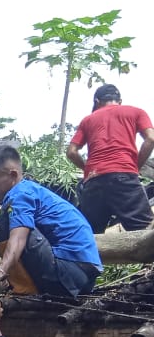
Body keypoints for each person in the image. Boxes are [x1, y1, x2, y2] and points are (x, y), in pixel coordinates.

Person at [0, 145, 102, 297]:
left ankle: (25, 290)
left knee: (5, 222)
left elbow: (19, 238)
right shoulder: (31, 190)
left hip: (68, 274)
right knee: (15, 225)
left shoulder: (19, 195)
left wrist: (1, 270)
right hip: (81, 278)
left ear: (13, 175)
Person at [66, 84, 154, 233]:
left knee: (90, 235)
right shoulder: (136, 112)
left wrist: (88, 169)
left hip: (93, 181)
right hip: (123, 177)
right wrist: (135, 166)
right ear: (119, 101)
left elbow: (71, 152)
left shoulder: (87, 120)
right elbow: (150, 139)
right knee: (145, 231)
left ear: (97, 101)